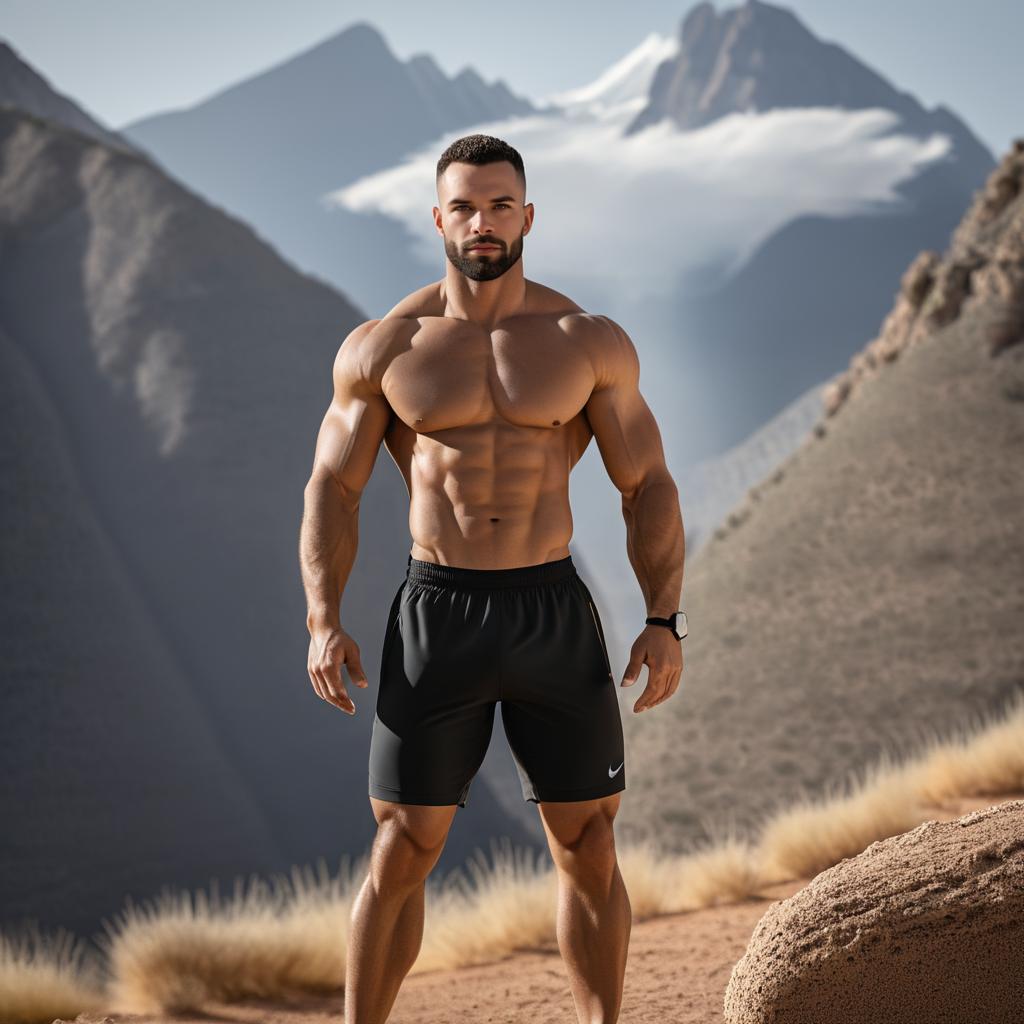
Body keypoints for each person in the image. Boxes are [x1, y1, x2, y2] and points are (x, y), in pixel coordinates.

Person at [299, 133, 685, 1024]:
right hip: (439, 614)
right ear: (439, 217)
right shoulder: (385, 348)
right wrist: (323, 617)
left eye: (500, 204)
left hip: (551, 609)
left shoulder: (585, 340)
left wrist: (666, 618)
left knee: (588, 844)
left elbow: (647, 483)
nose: (483, 222)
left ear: (528, 216)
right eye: (465, 206)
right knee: (401, 846)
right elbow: (334, 487)